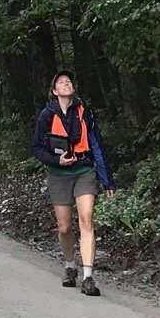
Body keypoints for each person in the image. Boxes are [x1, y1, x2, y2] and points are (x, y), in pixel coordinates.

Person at [32, 68, 112, 295]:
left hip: (84, 170)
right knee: (65, 227)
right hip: (58, 174)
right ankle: (70, 265)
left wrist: (107, 180)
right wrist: (56, 160)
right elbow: (37, 147)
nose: (66, 83)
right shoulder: (47, 115)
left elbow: (97, 146)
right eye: (61, 82)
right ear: (54, 91)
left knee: (86, 220)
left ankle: (88, 277)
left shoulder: (84, 113)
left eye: (69, 81)